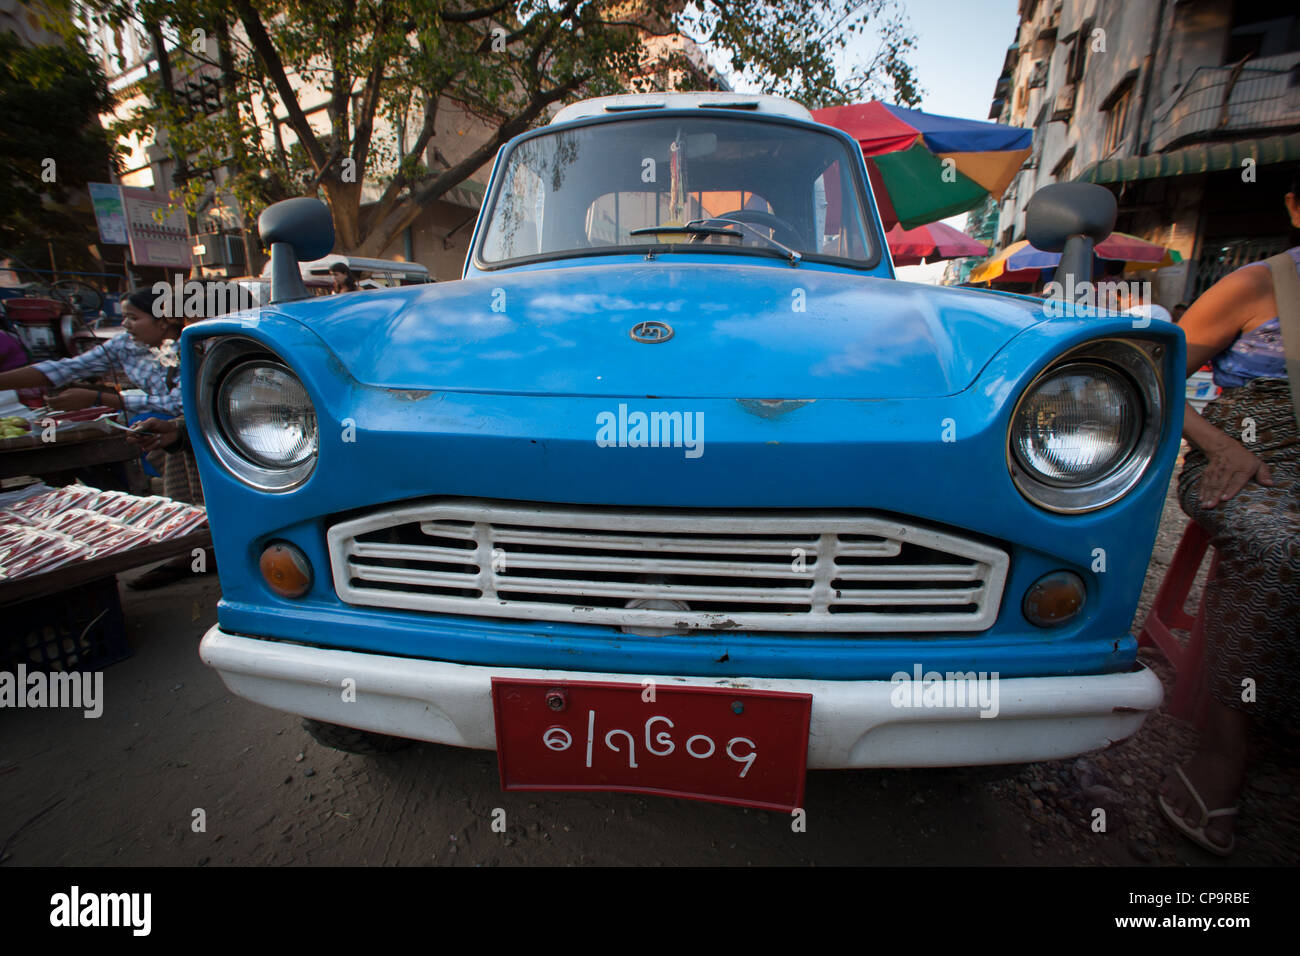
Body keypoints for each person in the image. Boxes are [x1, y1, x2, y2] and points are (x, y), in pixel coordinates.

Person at [1156, 171, 1300, 856]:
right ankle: (1223, 750)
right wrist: (1218, 444)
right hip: (1246, 461)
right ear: (1295, 207)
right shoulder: (1256, 286)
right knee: (1282, 547)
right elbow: (1150, 373)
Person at [0, 287, 182, 414]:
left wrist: (99, 398)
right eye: (124, 317)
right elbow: (68, 368)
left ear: (163, 321)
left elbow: (178, 404)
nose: (125, 325)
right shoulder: (125, 345)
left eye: (133, 318)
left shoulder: (189, 348)